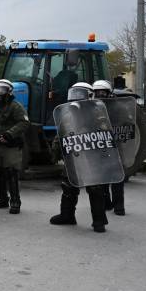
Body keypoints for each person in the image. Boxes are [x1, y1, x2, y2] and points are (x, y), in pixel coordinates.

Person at [50, 82, 109, 232]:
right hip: (73, 156)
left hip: (92, 157)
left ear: (89, 95)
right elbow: (61, 134)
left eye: (79, 94)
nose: (76, 98)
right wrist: (55, 152)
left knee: (95, 188)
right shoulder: (68, 114)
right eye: (74, 94)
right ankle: (67, 215)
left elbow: (105, 134)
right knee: (68, 185)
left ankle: (99, 221)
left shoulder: (98, 114)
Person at [0, 79, 30, 214]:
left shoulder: (15, 106)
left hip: (10, 145)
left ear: (9, 92)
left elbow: (24, 122)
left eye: (2, 90)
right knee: (0, 171)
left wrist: (9, 134)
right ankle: (2, 199)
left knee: (11, 171)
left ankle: (15, 201)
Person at [93, 79, 126, 216]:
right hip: (100, 145)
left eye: (103, 92)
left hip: (115, 145)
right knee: (103, 176)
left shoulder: (117, 106)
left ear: (108, 93)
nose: (100, 94)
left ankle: (119, 206)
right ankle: (106, 203)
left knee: (117, 176)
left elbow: (126, 122)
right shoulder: (92, 107)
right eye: (98, 92)